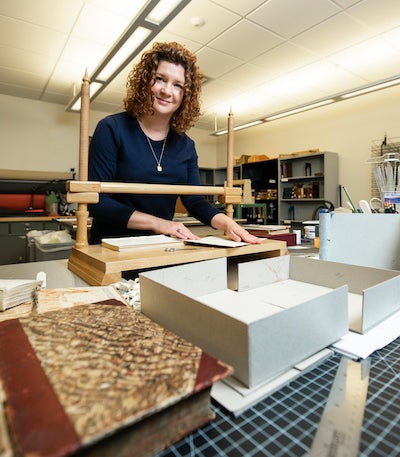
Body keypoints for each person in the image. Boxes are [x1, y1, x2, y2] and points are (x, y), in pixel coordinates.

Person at [88, 41, 261, 245]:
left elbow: (194, 201)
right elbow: (98, 202)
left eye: (177, 85)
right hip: (110, 247)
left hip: (161, 247)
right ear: (145, 82)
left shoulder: (186, 146)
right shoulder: (112, 129)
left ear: (185, 95)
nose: (167, 91)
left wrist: (227, 223)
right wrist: (158, 223)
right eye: (160, 79)